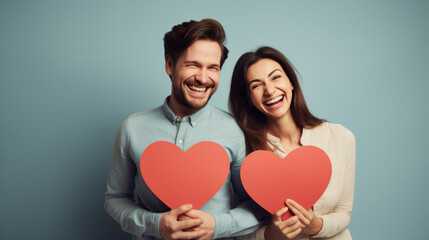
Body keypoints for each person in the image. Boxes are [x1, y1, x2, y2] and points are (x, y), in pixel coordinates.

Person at [104, 19, 263, 240]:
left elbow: (257, 204)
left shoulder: (235, 130)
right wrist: (155, 224)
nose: (203, 78)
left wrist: (218, 226)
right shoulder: (132, 128)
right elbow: (115, 198)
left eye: (213, 68)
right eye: (193, 65)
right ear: (169, 64)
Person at [229, 47, 355, 240]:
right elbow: (237, 228)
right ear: (249, 100)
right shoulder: (245, 153)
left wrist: (317, 226)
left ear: (291, 82)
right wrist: (271, 235)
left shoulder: (341, 136)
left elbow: (344, 212)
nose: (270, 90)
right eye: (256, 85)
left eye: (276, 77)